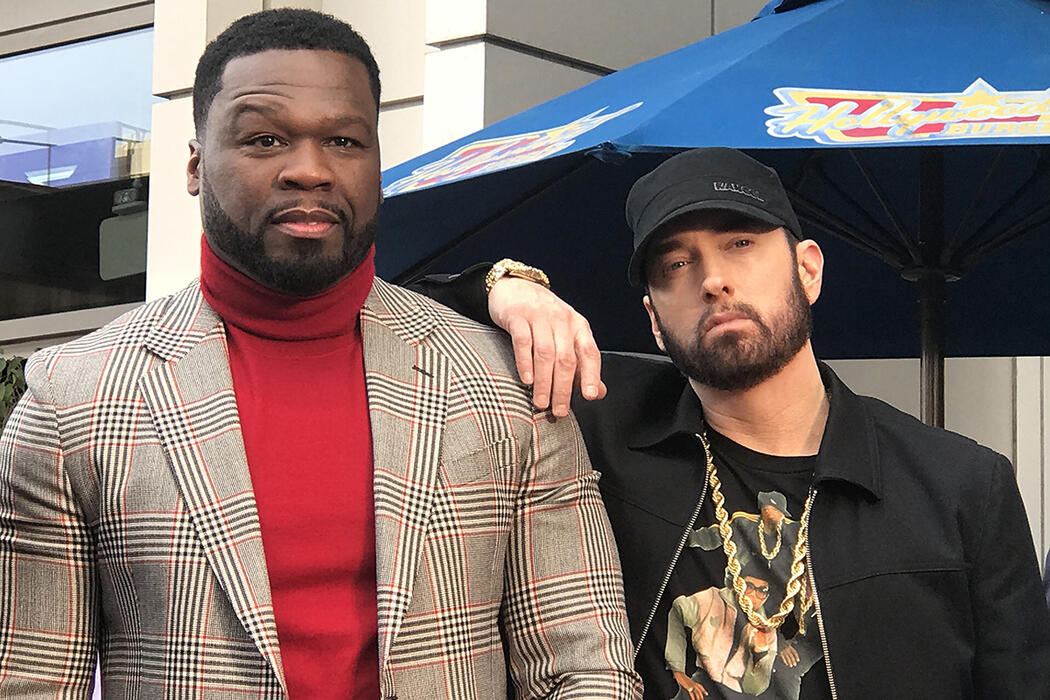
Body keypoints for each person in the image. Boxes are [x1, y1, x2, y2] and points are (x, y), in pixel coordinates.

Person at [0, 9, 641, 699]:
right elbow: (33, 682)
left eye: (343, 140)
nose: (309, 170)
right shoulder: (74, 400)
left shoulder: (506, 382)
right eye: (265, 138)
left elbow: (584, 666)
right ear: (194, 164)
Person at [425, 147, 1050, 698]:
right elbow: (400, 326)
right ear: (653, 320)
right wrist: (505, 288)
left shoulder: (963, 485)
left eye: (740, 244)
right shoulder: (597, 420)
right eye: (675, 265)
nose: (713, 280)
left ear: (808, 269)